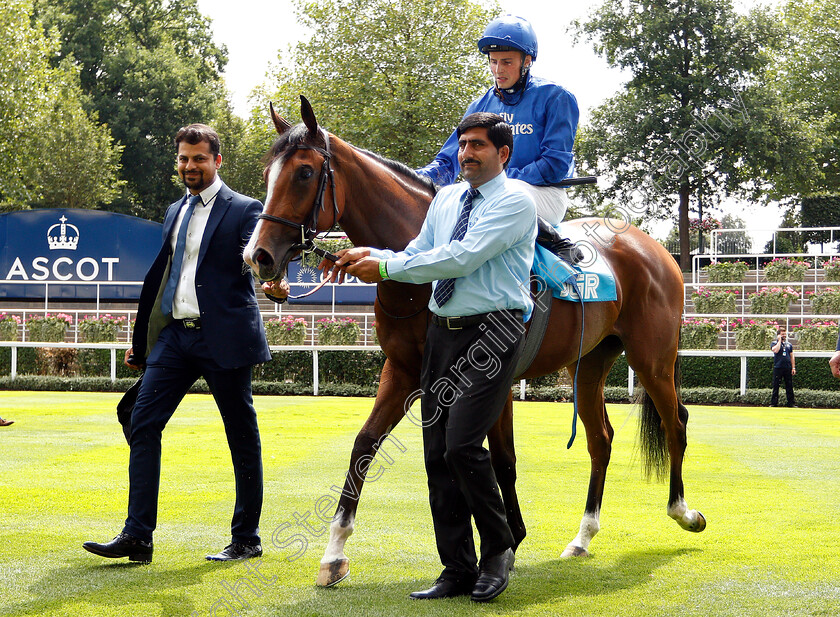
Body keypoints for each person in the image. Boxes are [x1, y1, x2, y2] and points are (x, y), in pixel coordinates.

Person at [322, 113, 535, 602]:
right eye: (462, 145)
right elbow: (421, 249)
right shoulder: (446, 199)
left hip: (494, 328)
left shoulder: (517, 202)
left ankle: (499, 548)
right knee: (437, 452)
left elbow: (463, 256)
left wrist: (387, 265)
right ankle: (456, 567)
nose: (466, 154)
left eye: (478, 146)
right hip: (443, 328)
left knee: (462, 445)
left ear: (503, 155)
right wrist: (362, 254)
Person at [83, 124, 271, 564]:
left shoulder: (246, 209)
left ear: (217, 161)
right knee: (141, 421)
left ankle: (246, 538)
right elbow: (164, 277)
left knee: (240, 435)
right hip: (175, 337)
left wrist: (274, 282)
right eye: (184, 159)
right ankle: (137, 536)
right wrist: (142, 343)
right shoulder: (173, 211)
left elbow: (262, 263)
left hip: (223, 337)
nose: (190, 166)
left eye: (199, 159)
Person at [416, 14, 581, 263]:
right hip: (493, 190)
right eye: (493, 62)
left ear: (527, 61)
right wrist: (416, 178)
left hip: (544, 194)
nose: (498, 70)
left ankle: (558, 243)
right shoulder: (481, 104)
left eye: (507, 62)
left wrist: (502, 179)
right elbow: (450, 159)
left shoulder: (556, 97)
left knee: (503, 193)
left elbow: (555, 165)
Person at [770, 326, 796, 407]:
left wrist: (793, 367)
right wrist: (779, 341)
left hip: (787, 368)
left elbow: (792, 356)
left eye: (785, 334)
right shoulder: (774, 343)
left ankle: (791, 403)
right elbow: (776, 350)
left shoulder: (789, 345)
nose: (784, 335)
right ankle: (774, 403)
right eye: (782, 334)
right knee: (776, 386)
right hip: (778, 367)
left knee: (789, 386)